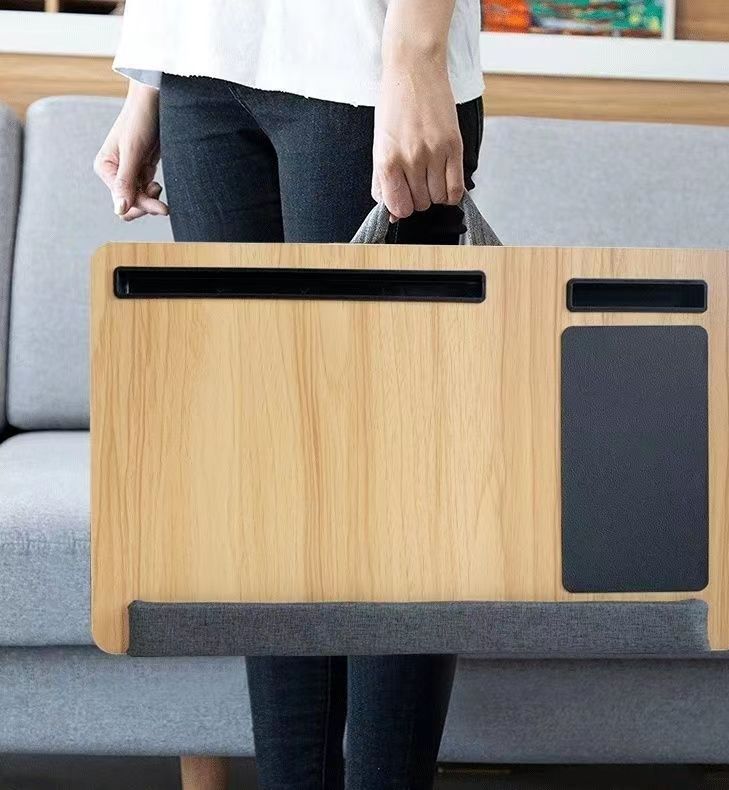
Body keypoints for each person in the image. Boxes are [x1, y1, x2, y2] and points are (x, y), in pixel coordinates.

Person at [95, 2, 484, 788]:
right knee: (264, 471)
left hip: (359, 60)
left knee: (390, 478)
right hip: (201, 65)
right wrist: (149, 81)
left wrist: (414, 56)